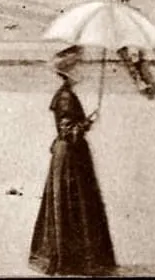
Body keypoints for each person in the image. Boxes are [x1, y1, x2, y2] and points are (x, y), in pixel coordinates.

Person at [29, 45, 117, 276]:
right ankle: (73, 261)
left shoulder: (66, 94)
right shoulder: (66, 97)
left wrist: (85, 121)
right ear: (70, 72)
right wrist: (87, 124)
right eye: (79, 66)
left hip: (68, 155)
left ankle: (73, 259)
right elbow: (69, 132)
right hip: (69, 156)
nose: (82, 69)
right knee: (74, 205)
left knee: (72, 206)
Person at [109, 0, 155, 99]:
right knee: (132, 69)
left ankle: (153, 93)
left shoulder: (136, 12)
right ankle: (141, 92)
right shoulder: (113, 14)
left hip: (137, 43)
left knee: (143, 68)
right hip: (122, 45)